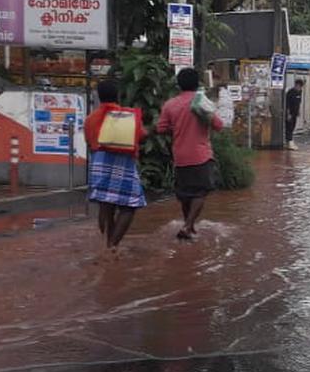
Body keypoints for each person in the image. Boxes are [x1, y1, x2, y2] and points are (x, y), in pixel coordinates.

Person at [157, 68, 224, 240]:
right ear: (197, 84)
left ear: (179, 84)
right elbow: (218, 125)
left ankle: (189, 226)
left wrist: (177, 128)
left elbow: (161, 128)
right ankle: (187, 226)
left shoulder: (170, 104)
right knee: (200, 192)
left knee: (185, 195)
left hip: (180, 156)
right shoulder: (202, 102)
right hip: (201, 155)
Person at [84, 79, 146, 252]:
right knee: (129, 206)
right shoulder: (126, 116)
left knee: (107, 204)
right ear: (118, 95)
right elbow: (141, 134)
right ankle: (113, 245)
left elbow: (89, 141)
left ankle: (108, 244)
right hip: (123, 163)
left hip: (98, 162)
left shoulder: (90, 118)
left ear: (99, 96)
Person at [285, 79, 304, 150]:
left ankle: (289, 141)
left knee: (293, 127)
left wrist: (298, 111)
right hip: (289, 113)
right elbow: (287, 104)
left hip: (295, 113)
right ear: (296, 85)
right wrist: (288, 113)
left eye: (300, 87)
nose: (299, 88)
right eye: (298, 86)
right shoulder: (290, 92)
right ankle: (290, 142)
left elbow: (298, 102)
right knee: (289, 127)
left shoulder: (299, 92)